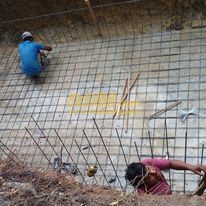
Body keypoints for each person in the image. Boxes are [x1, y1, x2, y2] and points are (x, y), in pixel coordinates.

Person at [125, 158, 206, 195]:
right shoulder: (155, 195)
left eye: (149, 168)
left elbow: (170, 163)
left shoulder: (146, 162)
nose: (154, 172)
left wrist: (191, 167)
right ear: (146, 186)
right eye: (149, 177)